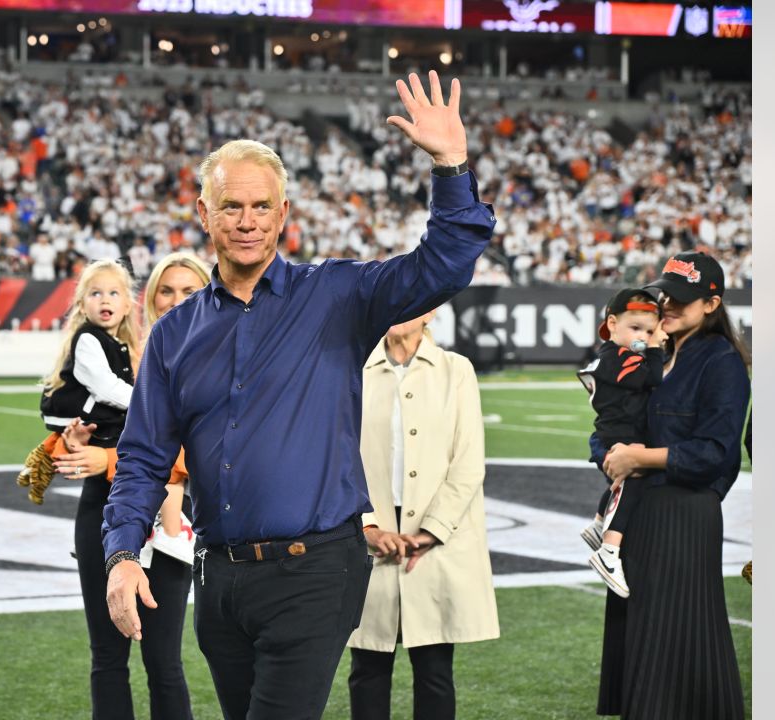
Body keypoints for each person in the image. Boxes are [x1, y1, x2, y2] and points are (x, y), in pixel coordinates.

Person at [102, 71, 495, 719]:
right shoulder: (175, 333)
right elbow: (142, 459)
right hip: (218, 578)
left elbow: (444, 264)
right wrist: (122, 554)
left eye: (263, 207)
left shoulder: (338, 295)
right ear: (204, 214)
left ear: (285, 214)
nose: (248, 221)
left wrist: (451, 166)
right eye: (231, 206)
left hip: (315, 569)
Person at [48, 253, 213, 720]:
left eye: (190, 291)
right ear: (149, 300)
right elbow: (68, 437)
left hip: (172, 525)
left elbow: (192, 453)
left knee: (163, 660)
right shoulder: (122, 354)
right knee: (107, 658)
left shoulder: (220, 356)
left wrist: (107, 458)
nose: (178, 301)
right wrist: (66, 444)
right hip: (104, 513)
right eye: (167, 290)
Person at [594, 251, 750, 719]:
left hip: (685, 516)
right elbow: (615, 425)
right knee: (645, 647)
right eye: (667, 294)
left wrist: (639, 457)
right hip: (642, 515)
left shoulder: (721, 360)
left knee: (676, 649)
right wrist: (608, 456)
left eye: (683, 298)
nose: (669, 304)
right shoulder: (654, 354)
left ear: (712, 303)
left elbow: (716, 453)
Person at [347, 310, 499, 720]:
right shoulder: (353, 369)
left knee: (434, 670)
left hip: (434, 539)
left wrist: (430, 531)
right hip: (370, 533)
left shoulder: (456, 370)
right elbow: (337, 456)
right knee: (367, 669)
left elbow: (469, 462)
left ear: (430, 311)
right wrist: (368, 526)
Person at [19, 260, 142, 505]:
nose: (105, 300)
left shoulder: (118, 343)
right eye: (95, 293)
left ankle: (42, 462)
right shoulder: (88, 338)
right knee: (119, 431)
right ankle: (45, 462)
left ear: (127, 305)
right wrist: (146, 403)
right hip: (75, 411)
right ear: (82, 306)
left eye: (114, 293)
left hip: (89, 416)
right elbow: (104, 387)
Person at [576, 288, 668, 597]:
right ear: (612, 324)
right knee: (633, 479)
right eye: (636, 328)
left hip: (620, 428)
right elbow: (652, 377)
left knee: (620, 485)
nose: (643, 336)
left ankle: (599, 522)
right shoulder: (616, 358)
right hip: (620, 433)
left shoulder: (619, 352)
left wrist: (650, 343)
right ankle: (608, 550)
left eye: (649, 330)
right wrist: (656, 348)